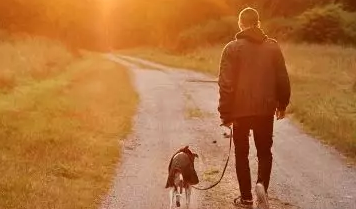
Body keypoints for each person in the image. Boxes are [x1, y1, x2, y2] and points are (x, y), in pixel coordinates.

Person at [218, 7, 291, 209]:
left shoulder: (231, 48)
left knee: (242, 153)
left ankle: (246, 198)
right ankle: (261, 186)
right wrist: (282, 104)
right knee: (264, 152)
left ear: (240, 24)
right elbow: (282, 78)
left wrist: (225, 114)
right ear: (258, 23)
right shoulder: (273, 47)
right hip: (265, 110)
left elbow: (225, 83)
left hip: (240, 112)